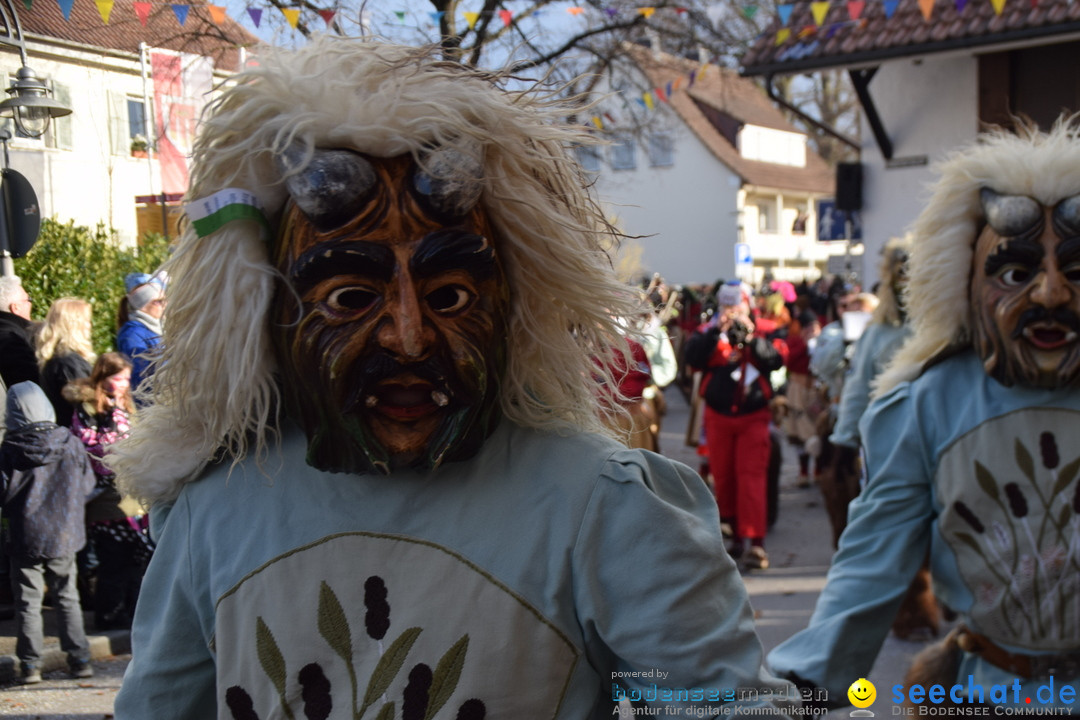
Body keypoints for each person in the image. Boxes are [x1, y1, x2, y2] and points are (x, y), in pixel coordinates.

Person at [109, 39, 798, 718]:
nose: (408, 337)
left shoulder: (602, 511)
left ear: (512, 305)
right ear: (270, 314)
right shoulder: (216, 513)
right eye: (350, 298)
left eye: (451, 297)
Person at [768, 120, 1080, 710]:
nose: (1050, 295)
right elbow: (871, 561)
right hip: (992, 691)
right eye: (1016, 273)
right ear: (964, 280)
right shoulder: (926, 404)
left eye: (1077, 271)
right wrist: (801, 686)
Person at [685, 280, 786, 570]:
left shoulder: (765, 329)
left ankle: (755, 542)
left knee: (751, 476)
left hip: (753, 416)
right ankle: (733, 534)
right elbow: (692, 358)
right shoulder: (709, 331)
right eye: (727, 305)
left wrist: (752, 338)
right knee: (724, 476)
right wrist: (718, 330)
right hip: (718, 417)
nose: (732, 311)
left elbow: (776, 360)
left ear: (748, 305)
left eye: (737, 305)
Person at [0, 381, 96, 683]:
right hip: (65, 533)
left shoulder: (9, 450)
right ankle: (80, 660)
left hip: (25, 535)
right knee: (67, 596)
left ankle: (30, 665)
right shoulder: (70, 442)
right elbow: (88, 485)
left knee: (27, 601)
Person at [64, 352, 150, 630]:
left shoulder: (126, 405)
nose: (124, 384)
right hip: (104, 495)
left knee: (138, 555)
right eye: (118, 378)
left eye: (126, 378)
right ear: (103, 377)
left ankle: (132, 611)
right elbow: (94, 447)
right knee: (114, 558)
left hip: (131, 493)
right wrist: (113, 420)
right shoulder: (88, 408)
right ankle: (109, 615)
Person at [36, 297, 96, 428]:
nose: (90, 325)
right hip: (78, 437)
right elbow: (85, 410)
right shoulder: (69, 364)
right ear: (74, 325)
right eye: (86, 321)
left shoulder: (56, 358)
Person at [115, 272, 166, 396]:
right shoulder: (132, 335)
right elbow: (139, 381)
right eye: (158, 301)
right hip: (151, 406)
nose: (164, 305)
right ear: (142, 305)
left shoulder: (156, 329)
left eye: (164, 300)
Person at [0, 275, 40, 390]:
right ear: (15, 307)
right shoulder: (13, 340)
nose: (31, 304)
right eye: (28, 300)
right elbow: (30, 386)